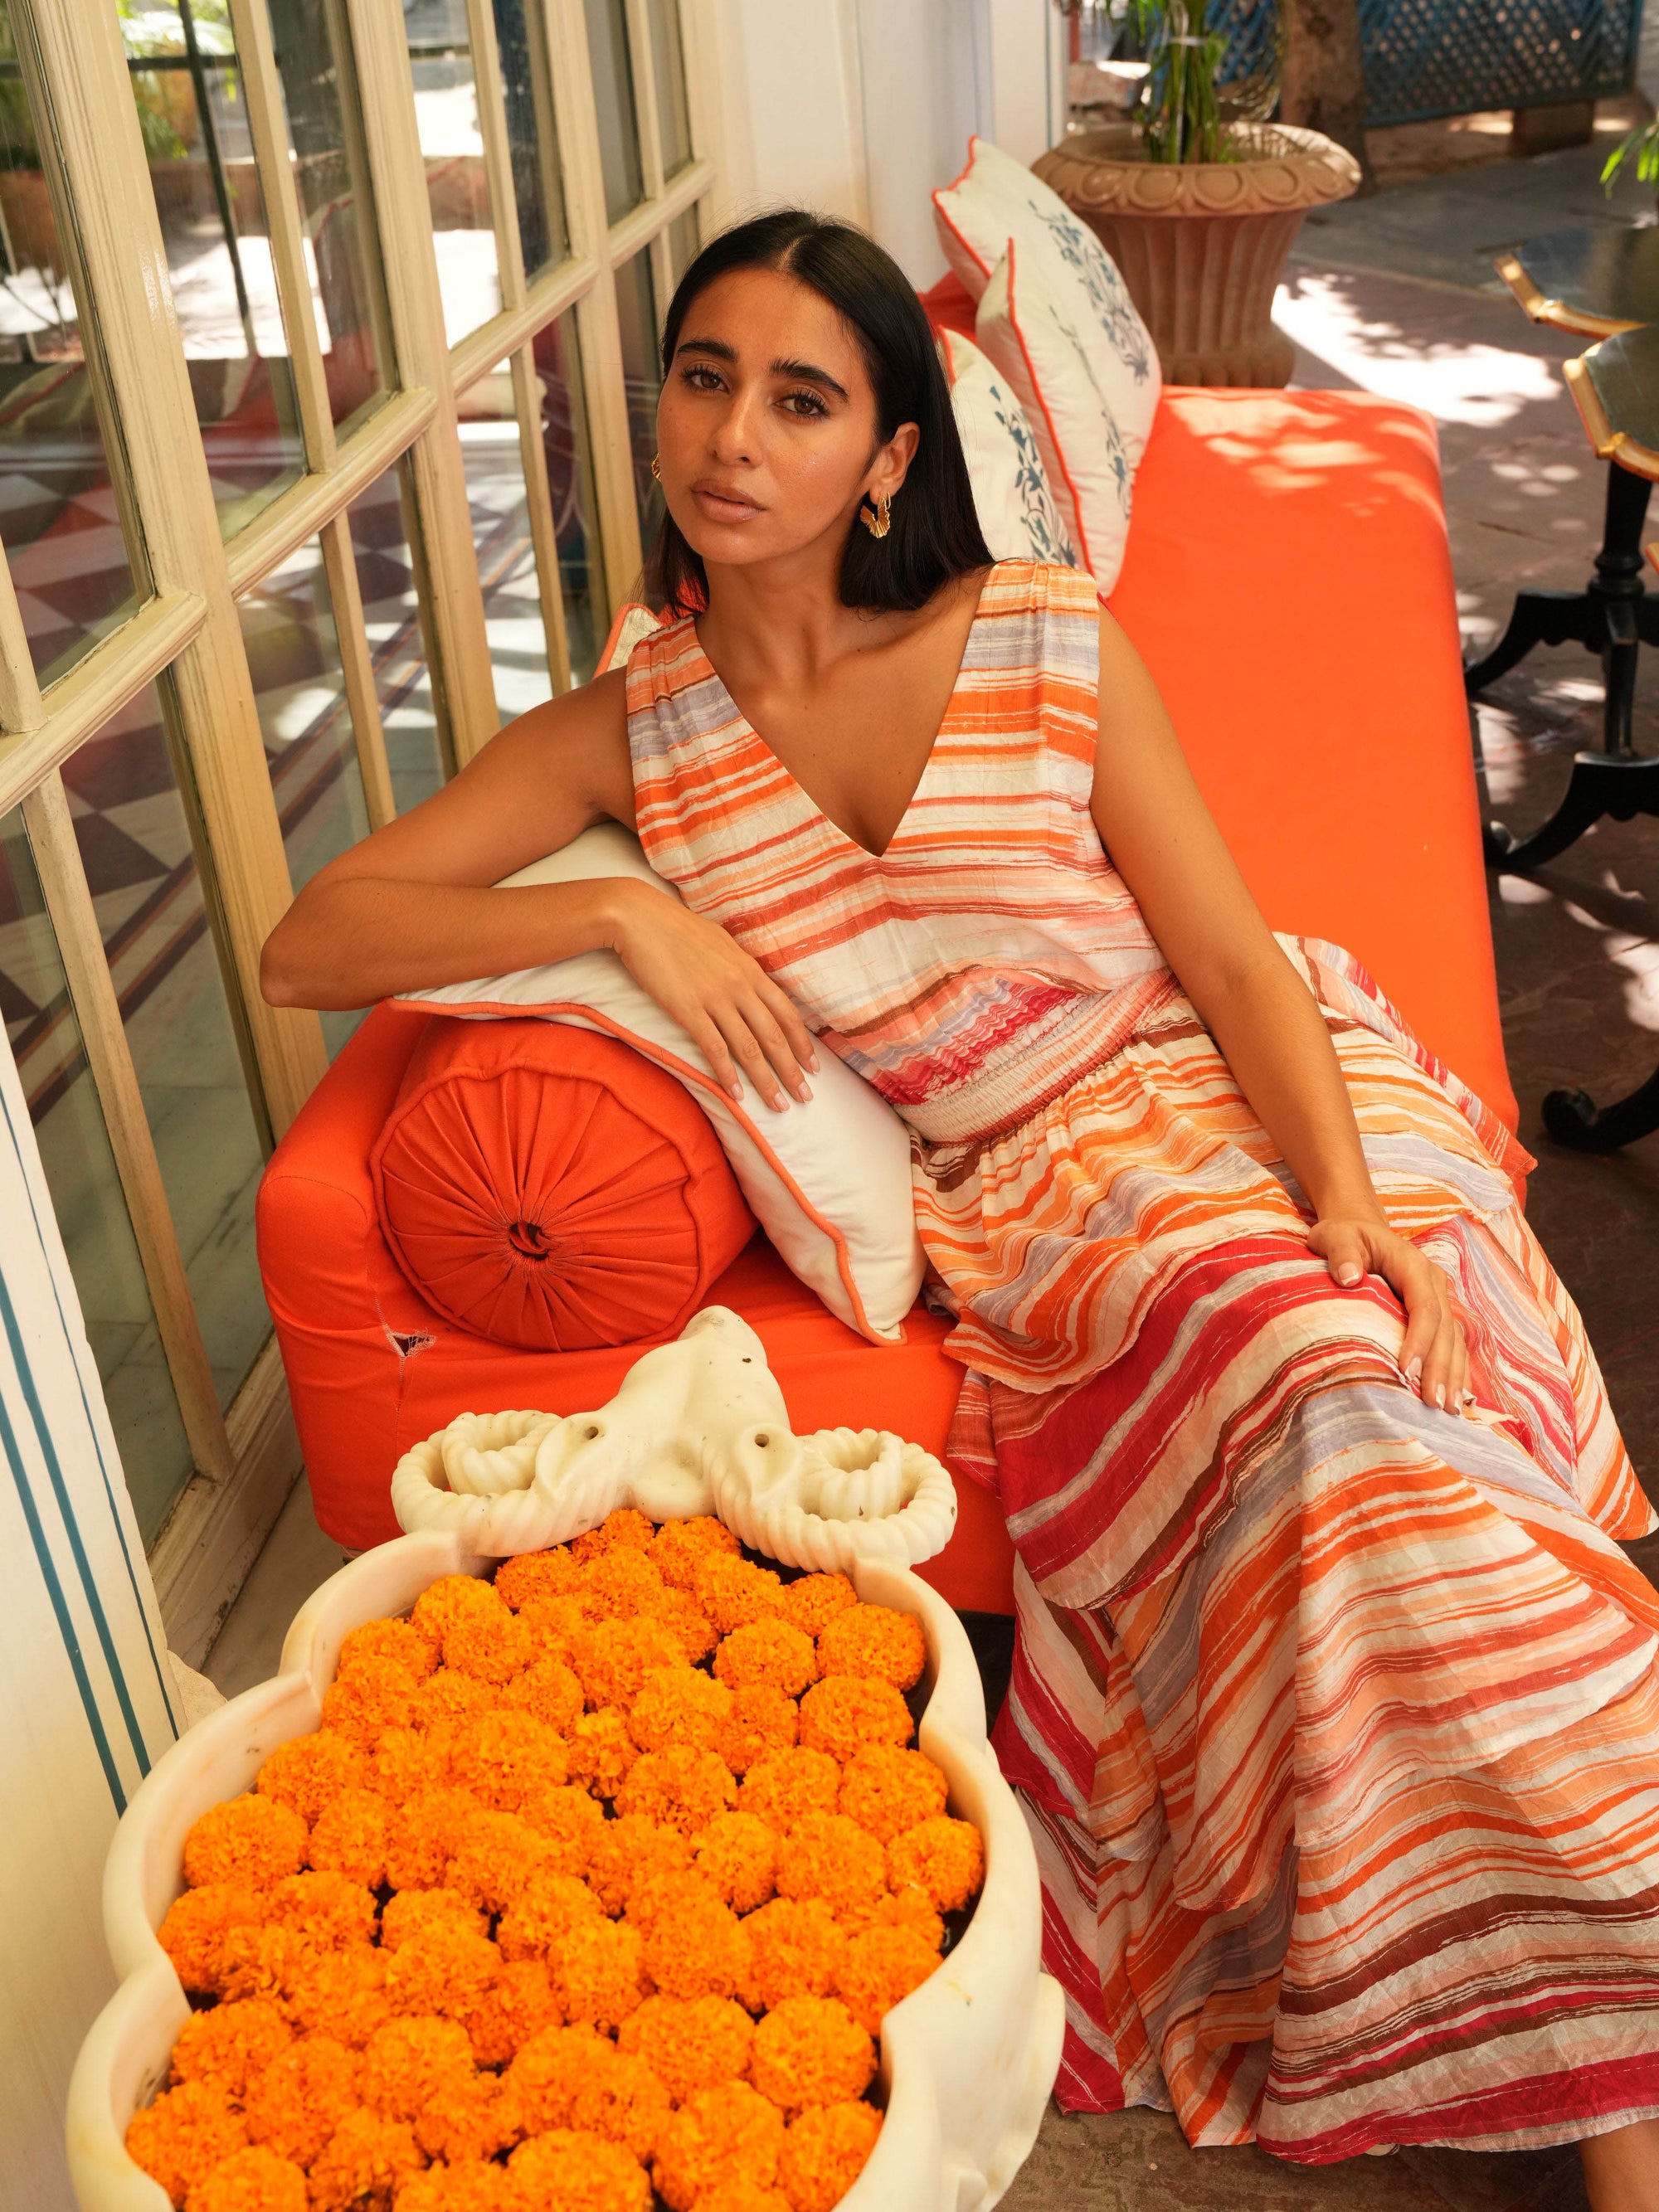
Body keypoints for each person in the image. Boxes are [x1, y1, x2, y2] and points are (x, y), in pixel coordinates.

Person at [261, 209, 1659, 2201]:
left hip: (1247, 1082)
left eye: (804, 398)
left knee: (1369, 1364)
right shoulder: (633, 739)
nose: (736, 435)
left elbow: (1238, 961)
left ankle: (1617, 2086)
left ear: (889, 457)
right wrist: (615, 913)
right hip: (1039, 1197)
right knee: (1326, 1384)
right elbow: (310, 939)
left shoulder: (1037, 635)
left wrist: (1345, 1191)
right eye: (705, 376)